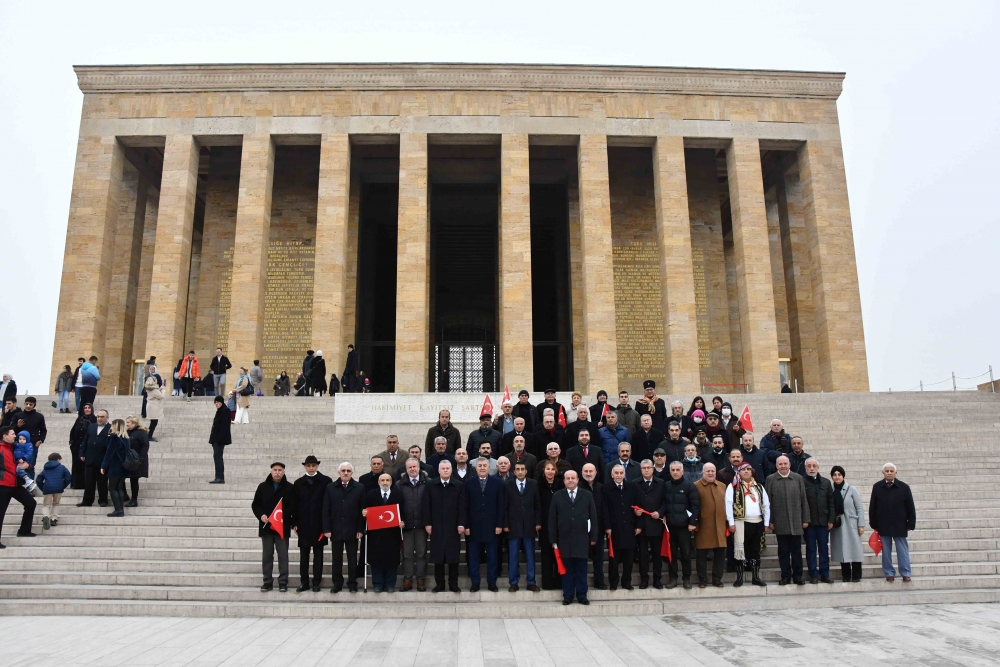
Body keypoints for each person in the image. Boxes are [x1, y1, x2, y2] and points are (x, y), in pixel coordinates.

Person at [549, 469, 598, 605]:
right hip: (564, 539)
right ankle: (568, 595)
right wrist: (553, 539)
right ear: (564, 481)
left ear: (577, 480)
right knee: (567, 569)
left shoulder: (587, 495)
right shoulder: (557, 496)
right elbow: (552, 518)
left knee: (581, 568)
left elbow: (593, 516)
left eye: (573, 478)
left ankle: (582, 595)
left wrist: (593, 536)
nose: (570, 480)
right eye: (567, 478)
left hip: (582, 538)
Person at [422, 460, 466, 592]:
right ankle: (440, 584)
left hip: (453, 527)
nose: (446, 470)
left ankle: (453, 584)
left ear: (452, 470)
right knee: (438, 557)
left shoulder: (458, 485)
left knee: (453, 557)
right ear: (439, 470)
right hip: (436, 526)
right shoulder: (430, 485)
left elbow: (462, 507)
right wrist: (428, 524)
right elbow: (426, 506)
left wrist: (461, 524)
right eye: (443, 468)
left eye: (448, 468)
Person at [290, 455, 331, 592]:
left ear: (317, 466)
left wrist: (327, 525)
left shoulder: (326, 481)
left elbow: (328, 505)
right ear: (305, 467)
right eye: (309, 466)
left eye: (313, 465)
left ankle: (316, 582)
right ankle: (304, 582)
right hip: (304, 524)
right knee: (304, 555)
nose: (311, 468)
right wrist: (294, 522)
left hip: (319, 524)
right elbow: (294, 505)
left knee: (318, 555)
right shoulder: (298, 483)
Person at [766, 455, 809, 586]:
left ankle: (798, 576)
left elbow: (804, 499)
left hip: (796, 522)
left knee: (796, 552)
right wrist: (770, 521)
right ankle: (785, 576)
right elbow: (768, 502)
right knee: (783, 552)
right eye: (780, 464)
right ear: (776, 466)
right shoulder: (771, 479)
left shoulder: (798, 478)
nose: (783, 466)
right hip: (780, 522)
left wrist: (805, 519)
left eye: (785, 463)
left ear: (789, 465)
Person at [869, 462, 916, 583]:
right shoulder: (877, 487)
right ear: (883, 473)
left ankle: (905, 573)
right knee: (886, 550)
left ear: (896, 473)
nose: (889, 473)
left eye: (891, 471)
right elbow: (872, 506)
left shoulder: (904, 487)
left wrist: (911, 523)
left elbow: (910, 506)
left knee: (902, 550)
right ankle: (889, 572)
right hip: (883, 524)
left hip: (900, 524)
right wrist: (873, 523)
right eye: (887, 471)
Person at [322, 462, 365, 593]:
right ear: (339, 472)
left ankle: (352, 583)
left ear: (352, 473)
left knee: (352, 558)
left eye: (348, 471)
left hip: (352, 529)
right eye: (343, 470)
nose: (346, 473)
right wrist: (327, 529)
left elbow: (362, 510)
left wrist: (360, 529)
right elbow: (326, 509)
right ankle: (337, 583)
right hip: (336, 528)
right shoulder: (330, 487)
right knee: (337, 558)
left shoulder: (359, 487)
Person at [726, 463, 771, 587]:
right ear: (738, 472)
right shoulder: (733, 486)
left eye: (748, 469)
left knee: (755, 551)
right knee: (741, 550)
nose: (746, 471)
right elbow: (728, 505)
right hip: (741, 522)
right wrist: (731, 523)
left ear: (752, 471)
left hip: (757, 521)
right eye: (743, 469)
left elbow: (766, 506)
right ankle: (739, 578)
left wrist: (766, 522)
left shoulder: (759, 487)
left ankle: (755, 577)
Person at [252, 462, 295, 592]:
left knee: (283, 555)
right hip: (266, 527)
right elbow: (255, 505)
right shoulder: (262, 487)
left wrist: (281, 516)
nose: (277, 472)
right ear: (271, 471)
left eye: (280, 470)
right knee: (267, 555)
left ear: (284, 472)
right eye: (275, 470)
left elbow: (293, 506)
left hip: (282, 527)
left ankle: (283, 582)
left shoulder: (290, 488)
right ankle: (267, 581)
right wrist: (262, 515)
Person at [464, 456, 504, 592]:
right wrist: (466, 526)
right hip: (473, 527)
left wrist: (499, 525)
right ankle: (475, 582)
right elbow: (465, 506)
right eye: (479, 465)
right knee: (474, 556)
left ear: (489, 467)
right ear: (476, 468)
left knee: (492, 557)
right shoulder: (468, 483)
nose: (482, 468)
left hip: (492, 526)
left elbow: (501, 506)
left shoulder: (498, 483)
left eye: (484, 466)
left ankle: (492, 582)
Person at [362, 473, 403, 592]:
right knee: (376, 559)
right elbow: (365, 510)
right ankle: (378, 584)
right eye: (383, 480)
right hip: (376, 534)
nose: (385, 482)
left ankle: (390, 584)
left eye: (387, 480)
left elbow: (403, 512)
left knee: (392, 559)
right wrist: (364, 513)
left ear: (391, 482)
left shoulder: (398, 495)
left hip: (392, 534)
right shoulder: (370, 495)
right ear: (378, 482)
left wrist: (402, 522)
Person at [504, 460, 541, 592]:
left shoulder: (533, 484)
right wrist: (505, 524)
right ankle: (513, 582)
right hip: (513, 526)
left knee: (530, 556)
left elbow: (537, 505)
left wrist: (538, 522)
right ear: (514, 472)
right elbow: (505, 506)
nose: (520, 472)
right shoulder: (507, 484)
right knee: (513, 556)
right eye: (517, 469)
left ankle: (531, 582)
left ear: (526, 471)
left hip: (529, 526)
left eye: (522, 469)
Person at [662, 460, 700, 589]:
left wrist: (692, 522)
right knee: (671, 554)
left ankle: (686, 578)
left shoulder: (689, 486)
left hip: (684, 527)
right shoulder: (666, 486)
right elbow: (662, 503)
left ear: (682, 471)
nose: (675, 472)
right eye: (673, 470)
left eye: (678, 470)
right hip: (670, 527)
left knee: (686, 554)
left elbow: (695, 506)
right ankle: (673, 578)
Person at [601, 463, 639, 590]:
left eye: (621, 473)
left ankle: (626, 582)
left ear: (625, 474)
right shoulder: (606, 489)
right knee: (614, 558)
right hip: (614, 528)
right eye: (616, 473)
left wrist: (638, 525)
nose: (618, 475)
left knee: (629, 558)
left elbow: (637, 506)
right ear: (612, 475)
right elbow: (604, 510)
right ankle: (613, 583)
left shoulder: (632, 487)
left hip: (629, 527)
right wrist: (607, 527)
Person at [396, 457, 429, 591]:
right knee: (407, 554)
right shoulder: (399, 484)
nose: (413, 469)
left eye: (415, 466)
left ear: (419, 467)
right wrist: (399, 519)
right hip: (407, 526)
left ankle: (420, 580)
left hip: (422, 525)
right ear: (406, 469)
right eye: (410, 467)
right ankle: (408, 580)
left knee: (421, 554)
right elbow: (396, 504)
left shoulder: (428, 482)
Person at [633, 459, 668, 589]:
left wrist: (659, 512)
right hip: (642, 525)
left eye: (648, 467)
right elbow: (633, 502)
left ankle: (657, 579)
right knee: (643, 555)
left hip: (656, 524)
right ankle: (644, 579)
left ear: (653, 469)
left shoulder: (661, 483)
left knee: (657, 554)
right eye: (644, 468)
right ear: (640, 470)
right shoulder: (635, 483)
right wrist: (636, 512)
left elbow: (665, 501)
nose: (646, 470)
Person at [0, 426, 37, 545]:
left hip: (15, 484)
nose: (15, 436)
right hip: (3, 484)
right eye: (12, 434)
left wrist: (28, 466)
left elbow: (24, 460)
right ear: (5, 436)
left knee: (31, 503)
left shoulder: (15, 447)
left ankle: (24, 530)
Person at [694, 463, 728, 588]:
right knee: (701, 554)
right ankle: (702, 579)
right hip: (703, 525)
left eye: (712, 471)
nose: (710, 473)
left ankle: (717, 578)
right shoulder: (696, 486)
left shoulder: (722, 486)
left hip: (720, 525)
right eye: (708, 471)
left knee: (720, 553)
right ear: (703, 472)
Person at [802, 457, 835, 584]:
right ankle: (813, 574)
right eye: (809, 466)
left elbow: (831, 503)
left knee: (823, 549)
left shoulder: (826, 483)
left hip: (823, 522)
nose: (811, 468)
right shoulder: (802, 481)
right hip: (809, 523)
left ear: (818, 468)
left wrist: (831, 519)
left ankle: (825, 574)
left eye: (814, 466)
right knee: (810, 549)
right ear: (805, 468)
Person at [830, 465, 865, 583]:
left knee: (854, 549)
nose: (837, 477)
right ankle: (846, 575)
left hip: (851, 524)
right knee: (842, 550)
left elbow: (859, 508)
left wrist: (861, 525)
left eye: (839, 474)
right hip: (838, 524)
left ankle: (856, 575)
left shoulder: (851, 489)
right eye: (834, 475)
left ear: (843, 476)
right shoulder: (831, 490)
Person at [536, 461, 564, 590]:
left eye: (553, 469)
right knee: (546, 555)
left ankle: (558, 582)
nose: (550, 471)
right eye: (548, 469)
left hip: (559, 524)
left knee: (559, 554)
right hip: (545, 524)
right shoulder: (538, 484)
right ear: (544, 470)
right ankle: (547, 583)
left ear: (556, 471)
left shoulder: (561, 484)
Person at [580, 463, 606, 589]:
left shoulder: (601, 488)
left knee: (599, 556)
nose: (588, 474)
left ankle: (599, 580)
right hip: (581, 529)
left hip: (598, 528)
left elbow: (606, 509)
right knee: (582, 557)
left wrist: (607, 526)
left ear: (595, 473)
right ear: (582, 473)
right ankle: (581, 582)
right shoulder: (578, 487)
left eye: (591, 471)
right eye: (586, 471)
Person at [77, 408, 111, 507]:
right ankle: (87, 500)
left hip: (102, 460)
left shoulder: (111, 428)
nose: (100, 419)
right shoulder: (91, 426)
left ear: (107, 418)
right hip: (90, 458)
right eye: (98, 417)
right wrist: (82, 453)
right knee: (89, 481)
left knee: (102, 481)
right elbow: (85, 440)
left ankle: (103, 500)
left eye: (102, 417)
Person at [100, 418, 132, 518]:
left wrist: (103, 466)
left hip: (115, 466)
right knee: (119, 488)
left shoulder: (114, 437)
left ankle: (118, 509)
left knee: (112, 488)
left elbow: (109, 453)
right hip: (124, 466)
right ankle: (120, 509)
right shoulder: (126, 438)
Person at [36, 452, 72, 530]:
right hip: (58, 488)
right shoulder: (62, 467)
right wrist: (62, 485)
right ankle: (53, 519)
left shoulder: (46, 468)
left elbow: (39, 479)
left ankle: (46, 516)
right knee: (56, 503)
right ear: (58, 459)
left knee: (46, 504)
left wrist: (43, 487)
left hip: (48, 487)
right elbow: (68, 477)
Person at [124, 416, 149, 507]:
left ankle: (134, 499)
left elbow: (145, 446)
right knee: (120, 477)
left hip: (136, 460)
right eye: (126, 422)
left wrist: (140, 459)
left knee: (134, 479)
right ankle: (125, 496)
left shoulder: (141, 433)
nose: (127, 424)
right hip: (127, 459)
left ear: (134, 423)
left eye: (128, 422)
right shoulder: (127, 432)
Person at [69, 403, 95, 489]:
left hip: (88, 447)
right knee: (76, 465)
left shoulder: (94, 420)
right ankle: (76, 484)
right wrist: (72, 442)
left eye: (89, 408)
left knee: (86, 466)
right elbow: (73, 431)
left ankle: (86, 484)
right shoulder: (79, 419)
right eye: (85, 408)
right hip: (77, 446)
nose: (87, 409)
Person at [208, 396, 232, 484]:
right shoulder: (220, 410)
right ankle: (218, 477)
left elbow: (224, 427)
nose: (216, 404)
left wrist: (218, 439)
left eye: (218, 402)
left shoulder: (225, 411)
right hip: (216, 439)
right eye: (215, 403)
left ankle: (220, 477)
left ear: (221, 402)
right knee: (217, 457)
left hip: (220, 440)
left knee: (218, 457)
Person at [142, 366, 164, 441]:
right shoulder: (154, 390)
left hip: (151, 406)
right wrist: (163, 390)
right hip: (154, 407)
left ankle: (149, 435)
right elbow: (161, 396)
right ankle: (149, 436)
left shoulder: (150, 389)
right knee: (154, 422)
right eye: (155, 380)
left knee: (153, 422)